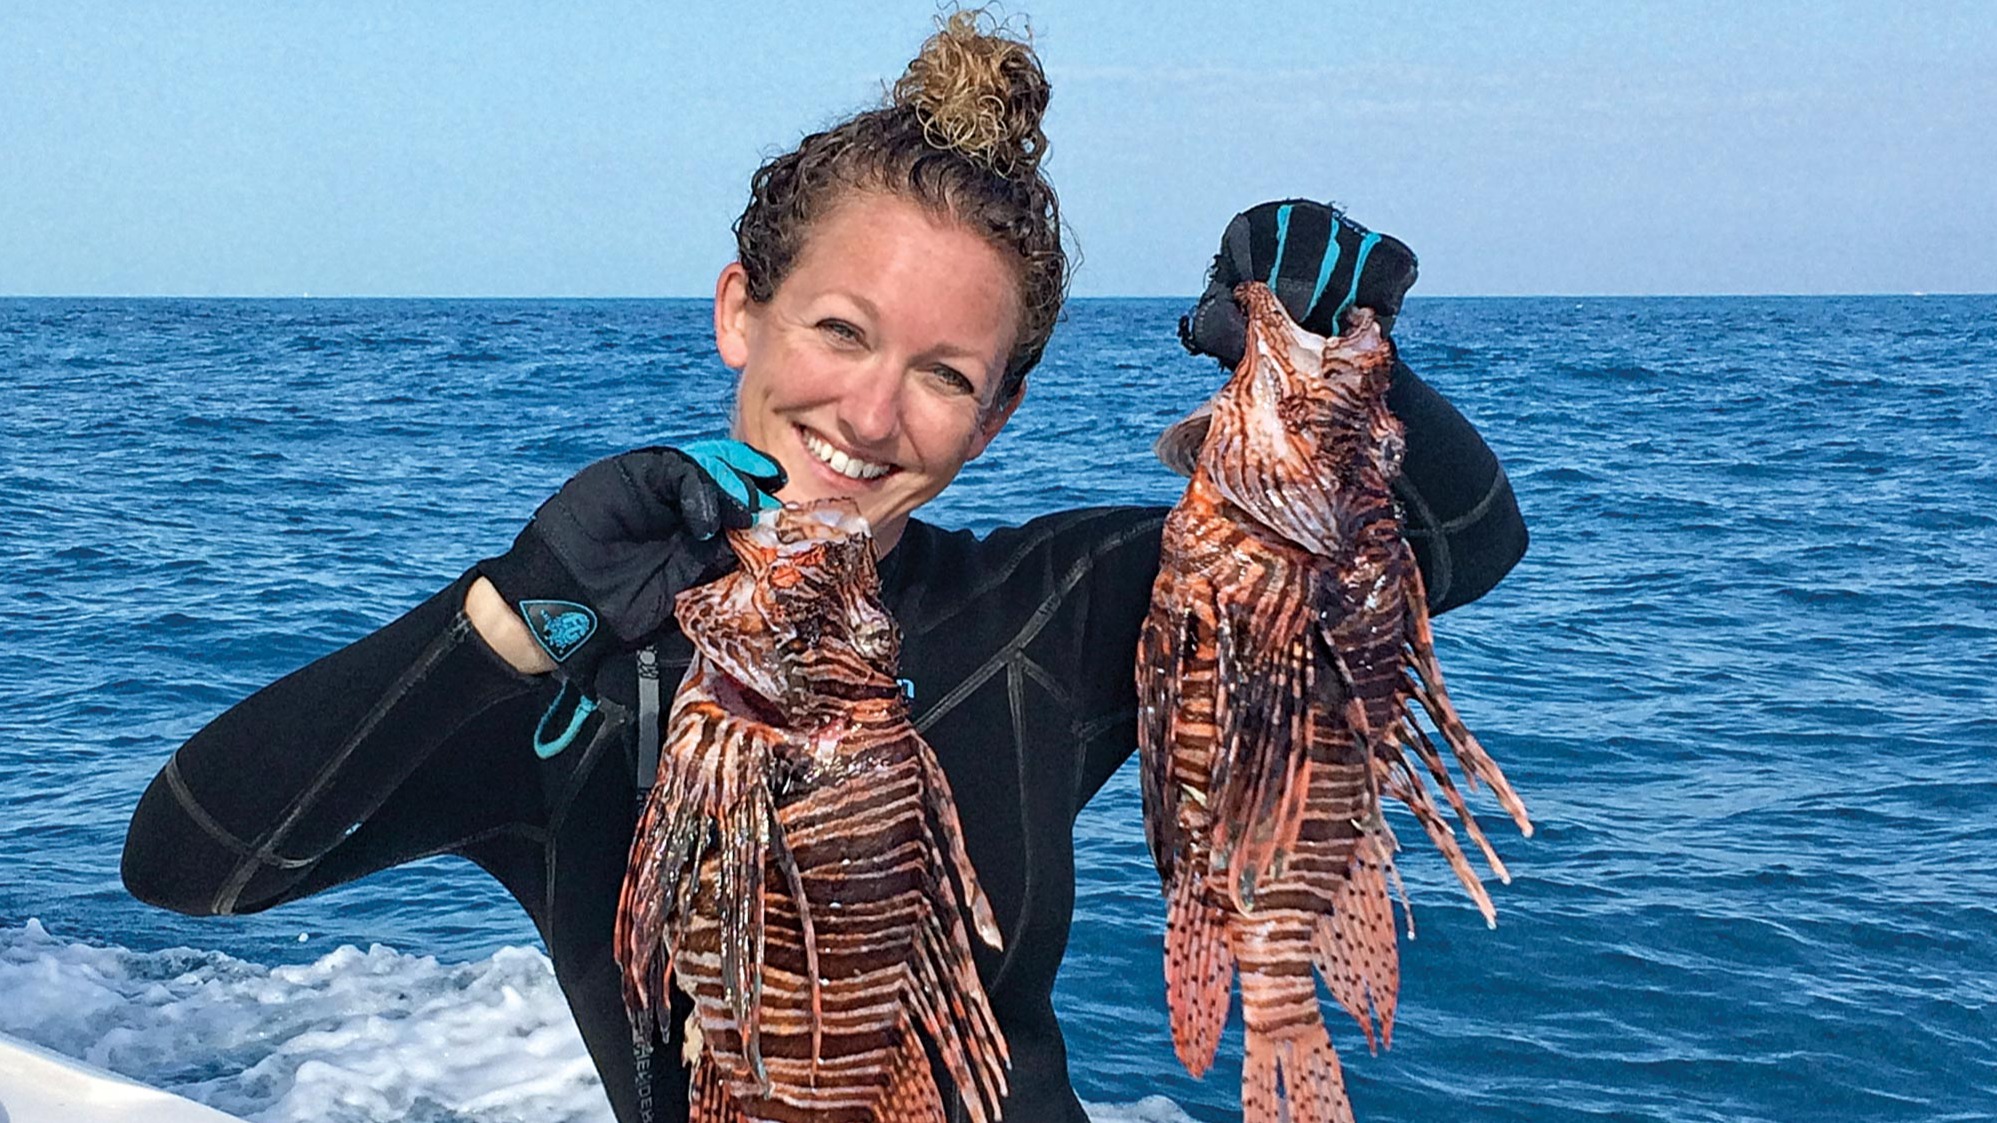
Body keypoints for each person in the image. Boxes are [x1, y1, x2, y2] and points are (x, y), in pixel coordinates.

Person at [122, 13, 1527, 1123]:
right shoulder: (585, 677)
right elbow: (196, 864)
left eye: (941, 374)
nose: (867, 417)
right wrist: (514, 609)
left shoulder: (1055, 606)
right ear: (741, 309)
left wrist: (1332, 349)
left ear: (1000, 412)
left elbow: (1457, 549)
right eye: (839, 332)